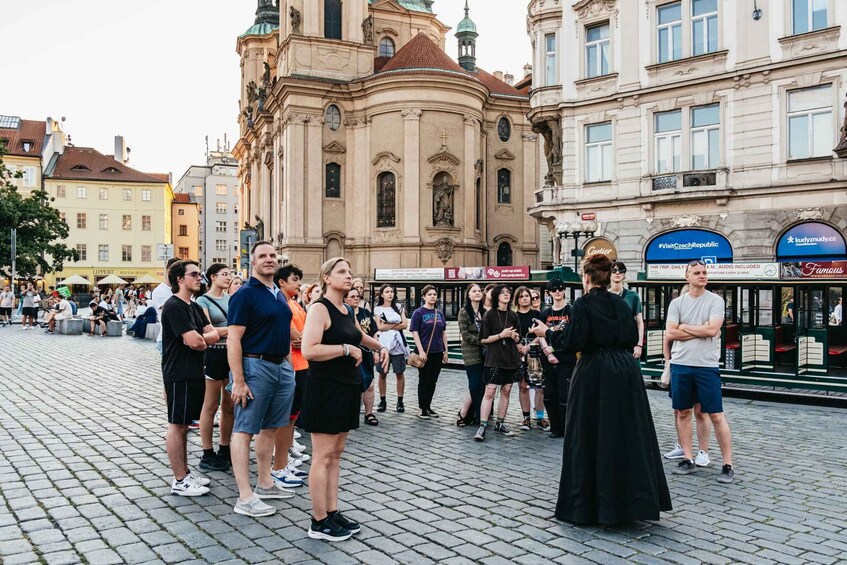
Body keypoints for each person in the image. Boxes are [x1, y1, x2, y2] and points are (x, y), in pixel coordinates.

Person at [531, 254, 672, 524]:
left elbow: (573, 340)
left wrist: (546, 334)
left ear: (586, 278)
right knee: (627, 433)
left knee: (590, 433)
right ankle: (632, 503)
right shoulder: (622, 304)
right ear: (609, 278)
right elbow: (632, 336)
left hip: (596, 371)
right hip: (626, 372)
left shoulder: (583, 304)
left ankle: (591, 504)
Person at [301, 257, 388, 541]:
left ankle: (332, 511)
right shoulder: (319, 309)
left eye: (349, 272)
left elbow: (358, 335)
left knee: (336, 455)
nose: (348, 276)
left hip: (347, 386)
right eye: (341, 272)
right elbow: (310, 349)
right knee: (322, 456)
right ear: (327, 277)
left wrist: (378, 346)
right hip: (325, 387)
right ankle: (318, 520)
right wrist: (345, 350)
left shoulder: (347, 309)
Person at [227, 241, 297, 517]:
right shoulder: (245, 294)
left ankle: (265, 483)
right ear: (252, 262)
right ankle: (245, 496)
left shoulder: (277, 293)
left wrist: (289, 369)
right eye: (262, 256)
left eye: (272, 256)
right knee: (244, 430)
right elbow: (234, 339)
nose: (269, 259)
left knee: (271, 427)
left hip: (281, 367)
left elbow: (283, 332)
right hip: (255, 366)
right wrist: (239, 380)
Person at [666, 260, 735, 483]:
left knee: (715, 414)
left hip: (707, 365)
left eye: (705, 272)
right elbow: (670, 334)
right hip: (681, 364)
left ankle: (727, 464)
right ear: (687, 276)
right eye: (697, 272)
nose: (702, 275)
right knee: (683, 412)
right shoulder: (676, 303)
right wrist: (700, 330)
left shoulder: (715, 301)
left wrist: (684, 327)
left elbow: (713, 329)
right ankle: (688, 458)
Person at [161, 260, 220, 496]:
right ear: (179, 279)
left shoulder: (194, 307)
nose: (200, 278)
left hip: (195, 371)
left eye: (200, 274)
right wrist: (204, 337)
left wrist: (205, 337)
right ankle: (179, 479)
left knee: (185, 425)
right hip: (179, 372)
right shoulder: (174, 306)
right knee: (177, 425)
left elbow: (210, 333)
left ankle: (184, 472)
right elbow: (196, 341)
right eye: (194, 274)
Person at [269, 264, 310, 491]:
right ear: (282, 281)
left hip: (302, 363)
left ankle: (284, 460)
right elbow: (293, 336)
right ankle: (280, 465)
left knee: (292, 416)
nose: (298, 283)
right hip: (291, 364)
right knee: (285, 418)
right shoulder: (281, 303)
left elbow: (302, 336)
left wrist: (304, 339)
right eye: (294, 279)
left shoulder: (294, 303)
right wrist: (303, 339)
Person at [195, 263, 235, 472]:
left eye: (230, 274)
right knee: (210, 405)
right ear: (212, 277)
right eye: (225, 274)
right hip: (213, 355)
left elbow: (226, 329)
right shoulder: (202, 301)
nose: (228, 277)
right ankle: (207, 451)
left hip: (230, 354)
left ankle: (225, 447)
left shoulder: (230, 299)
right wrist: (230, 330)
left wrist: (223, 331)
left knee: (229, 405)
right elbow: (207, 330)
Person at [474, 284, 521, 441]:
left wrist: (514, 337)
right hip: (494, 358)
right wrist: (501, 335)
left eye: (509, 292)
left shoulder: (514, 315)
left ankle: (500, 423)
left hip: (510, 358)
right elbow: (483, 339)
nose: (507, 294)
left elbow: (518, 338)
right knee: (490, 391)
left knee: (506, 390)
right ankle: (483, 425)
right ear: (496, 297)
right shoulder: (489, 315)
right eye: (503, 292)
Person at [538, 278, 576, 438]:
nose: (558, 292)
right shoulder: (545, 313)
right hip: (548, 360)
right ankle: (555, 427)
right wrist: (549, 352)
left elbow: (572, 336)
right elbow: (540, 334)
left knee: (564, 396)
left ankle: (565, 428)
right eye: (554, 289)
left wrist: (554, 349)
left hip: (566, 359)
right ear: (550, 293)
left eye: (560, 289)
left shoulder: (570, 311)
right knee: (548, 395)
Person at [410, 285, 448, 419]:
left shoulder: (440, 313)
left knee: (433, 380)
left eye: (434, 294)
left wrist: (446, 351)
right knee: (424, 380)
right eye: (430, 294)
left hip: (438, 351)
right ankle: (423, 408)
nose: (432, 296)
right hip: (425, 352)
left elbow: (443, 332)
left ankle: (429, 406)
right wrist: (421, 350)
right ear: (424, 296)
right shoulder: (419, 313)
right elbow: (415, 332)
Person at [513, 286, 548, 431]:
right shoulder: (513, 315)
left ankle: (540, 418)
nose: (525, 298)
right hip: (519, 354)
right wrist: (519, 345)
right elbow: (512, 334)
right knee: (523, 386)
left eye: (527, 296)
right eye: (521, 296)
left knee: (539, 386)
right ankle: (526, 417)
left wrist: (529, 346)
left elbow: (542, 333)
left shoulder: (537, 314)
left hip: (535, 353)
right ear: (517, 300)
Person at [346, 288, 378, 425]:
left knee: (370, 384)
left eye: (357, 296)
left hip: (366, 352)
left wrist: (377, 349)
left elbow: (374, 331)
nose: (355, 298)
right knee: (353, 385)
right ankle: (350, 413)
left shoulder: (365, 313)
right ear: (346, 299)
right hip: (351, 353)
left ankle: (369, 413)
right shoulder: (346, 314)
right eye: (352, 296)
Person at [374, 284, 408, 413]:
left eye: (391, 292)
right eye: (387, 292)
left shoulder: (399, 307)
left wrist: (387, 324)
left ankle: (400, 401)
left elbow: (404, 325)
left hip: (398, 345)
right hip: (384, 345)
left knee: (399, 373)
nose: (390, 294)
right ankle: (382, 400)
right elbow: (379, 327)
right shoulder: (378, 309)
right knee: (382, 373)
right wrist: (395, 324)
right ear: (382, 294)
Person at [456, 283, 486, 427]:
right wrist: (483, 341)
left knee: (482, 384)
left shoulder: (485, 311)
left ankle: (473, 415)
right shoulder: (464, 312)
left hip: (485, 353)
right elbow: (465, 334)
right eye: (474, 291)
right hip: (471, 352)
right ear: (468, 295)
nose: (477, 293)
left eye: (479, 291)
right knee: (474, 384)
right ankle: (476, 416)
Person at [609, 261, 645, 359]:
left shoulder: (633, 296)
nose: (617, 273)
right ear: (609, 274)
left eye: (621, 270)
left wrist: (639, 345)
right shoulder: (604, 296)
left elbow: (640, 322)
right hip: (609, 348)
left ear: (624, 275)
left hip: (629, 347)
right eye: (614, 270)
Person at [152, 258, 180, 353]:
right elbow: (174, 310)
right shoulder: (159, 291)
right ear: (169, 270)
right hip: (166, 339)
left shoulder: (181, 289)